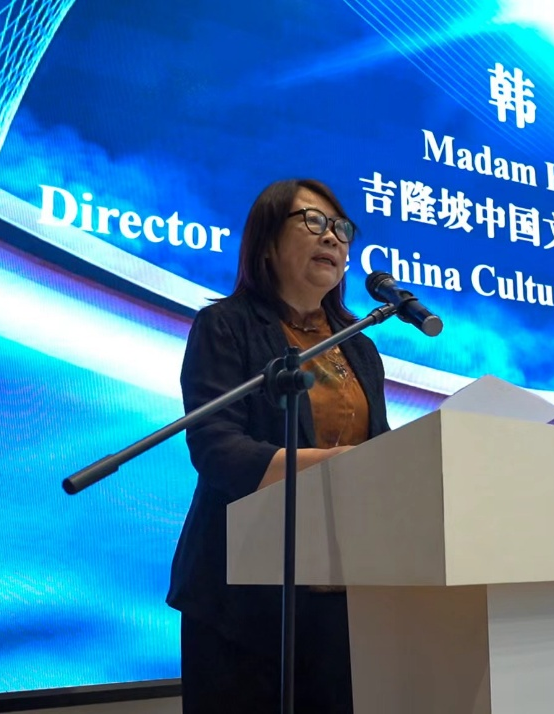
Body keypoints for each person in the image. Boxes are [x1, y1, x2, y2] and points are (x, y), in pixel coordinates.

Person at [167, 178, 391, 713]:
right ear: (267, 242)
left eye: (341, 229)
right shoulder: (227, 326)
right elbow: (217, 448)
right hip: (241, 596)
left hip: (340, 595)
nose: (332, 237)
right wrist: (335, 465)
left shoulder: (360, 349)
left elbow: (381, 454)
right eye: (313, 222)